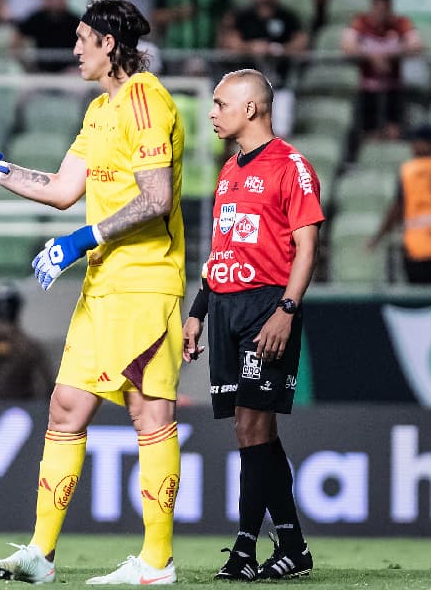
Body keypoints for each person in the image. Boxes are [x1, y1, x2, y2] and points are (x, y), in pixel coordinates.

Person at [0, 0, 186, 585]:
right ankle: (40, 556)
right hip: (104, 285)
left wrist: (82, 239)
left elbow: (157, 200)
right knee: (66, 408)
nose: (73, 49)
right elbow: (63, 188)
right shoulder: (100, 110)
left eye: (81, 39)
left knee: (151, 415)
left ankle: (156, 562)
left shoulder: (147, 100)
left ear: (108, 43)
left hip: (145, 283)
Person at [182, 69, 324, 581]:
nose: (212, 112)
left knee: (251, 426)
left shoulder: (292, 166)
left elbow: (307, 244)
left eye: (219, 104)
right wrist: (198, 311)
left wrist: (287, 309)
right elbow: (222, 246)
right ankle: (291, 544)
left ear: (250, 110)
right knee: (252, 429)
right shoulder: (228, 170)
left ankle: (245, 547)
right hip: (225, 306)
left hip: (268, 305)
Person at [367, 124, 431, 283]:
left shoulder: (409, 171)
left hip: (419, 253)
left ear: (428, 143)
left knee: (422, 306)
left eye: (416, 142)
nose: (412, 147)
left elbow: (397, 209)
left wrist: (378, 238)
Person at [340, 0, 423, 141]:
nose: (381, 12)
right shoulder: (361, 22)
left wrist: (391, 55)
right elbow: (347, 46)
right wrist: (371, 57)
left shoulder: (401, 23)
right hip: (368, 88)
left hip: (394, 87)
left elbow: (416, 45)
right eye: (378, 7)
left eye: (385, 7)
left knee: (394, 132)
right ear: (372, 6)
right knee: (370, 134)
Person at [218, 0, 308, 88]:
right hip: (245, 84)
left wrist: (279, 49)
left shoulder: (287, 17)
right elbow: (229, 43)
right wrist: (251, 48)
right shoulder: (241, 17)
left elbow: (301, 44)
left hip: (280, 83)